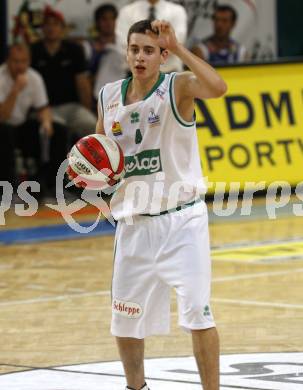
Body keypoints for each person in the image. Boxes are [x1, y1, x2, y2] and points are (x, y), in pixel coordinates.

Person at [70, 19, 226, 390]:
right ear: (126, 53)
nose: (140, 57)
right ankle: (136, 387)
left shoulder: (178, 86)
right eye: (135, 49)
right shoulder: (109, 95)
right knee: (125, 319)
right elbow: (101, 148)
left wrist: (181, 48)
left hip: (182, 221)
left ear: (163, 55)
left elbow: (218, 87)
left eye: (149, 50)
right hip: (134, 224)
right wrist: (85, 167)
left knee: (198, 316)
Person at [0, 43, 67, 196]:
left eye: (23, 61)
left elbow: (43, 108)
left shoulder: (34, 77)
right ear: (7, 61)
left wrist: (46, 122)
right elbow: (2, 116)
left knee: (58, 130)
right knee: (5, 131)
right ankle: (7, 186)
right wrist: (15, 89)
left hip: (22, 125)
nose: (20, 66)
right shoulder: (1, 77)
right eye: (15, 61)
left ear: (29, 61)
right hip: (3, 127)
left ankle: (52, 182)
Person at [30, 6, 96, 139]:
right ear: (42, 28)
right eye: (47, 24)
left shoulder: (74, 50)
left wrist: (87, 109)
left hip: (72, 106)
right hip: (44, 109)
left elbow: (82, 82)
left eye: (55, 24)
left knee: (91, 124)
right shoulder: (33, 51)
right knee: (57, 131)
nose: (51, 28)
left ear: (62, 28)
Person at [116, 0, 187, 72]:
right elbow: (123, 46)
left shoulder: (177, 11)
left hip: (170, 73)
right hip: (135, 73)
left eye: (149, 51)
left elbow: (177, 43)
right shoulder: (127, 12)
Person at [83, 3, 126, 101]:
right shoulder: (88, 47)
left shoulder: (126, 45)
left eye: (112, 19)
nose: (109, 23)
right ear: (97, 22)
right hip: (98, 98)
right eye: (104, 19)